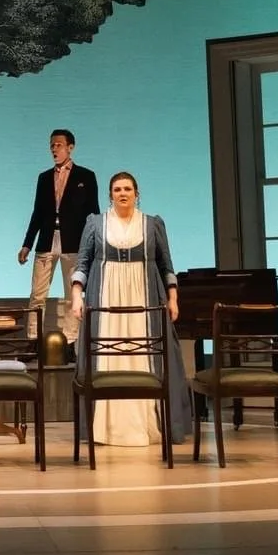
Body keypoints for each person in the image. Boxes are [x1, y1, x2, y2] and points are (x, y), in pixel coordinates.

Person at [69, 171, 187, 446]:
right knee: (109, 356)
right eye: (117, 189)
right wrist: (77, 295)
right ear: (110, 194)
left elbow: (166, 265)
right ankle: (106, 427)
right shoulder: (96, 224)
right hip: (106, 298)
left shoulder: (152, 224)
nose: (122, 193)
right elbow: (83, 263)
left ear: (137, 193)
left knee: (145, 355)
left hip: (144, 300)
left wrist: (173, 298)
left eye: (128, 189)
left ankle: (148, 424)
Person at [18, 128, 100, 342]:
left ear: (70, 148)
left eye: (59, 145)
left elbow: (94, 213)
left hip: (74, 243)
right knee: (37, 295)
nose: (54, 149)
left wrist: (94, 245)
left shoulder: (86, 176)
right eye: (52, 145)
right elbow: (37, 212)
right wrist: (27, 244)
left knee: (71, 295)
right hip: (47, 240)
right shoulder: (44, 178)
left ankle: (71, 342)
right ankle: (33, 340)